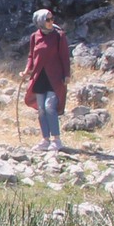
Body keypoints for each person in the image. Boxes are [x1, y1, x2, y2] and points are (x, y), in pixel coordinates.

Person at [21, 9, 72, 152]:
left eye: (52, 19)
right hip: (39, 76)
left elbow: (65, 57)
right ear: (40, 21)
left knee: (50, 106)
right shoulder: (34, 36)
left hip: (55, 77)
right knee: (41, 109)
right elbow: (31, 56)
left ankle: (56, 140)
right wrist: (27, 70)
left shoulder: (59, 36)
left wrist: (67, 74)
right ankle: (45, 140)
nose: (51, 22)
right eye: (47, 20)